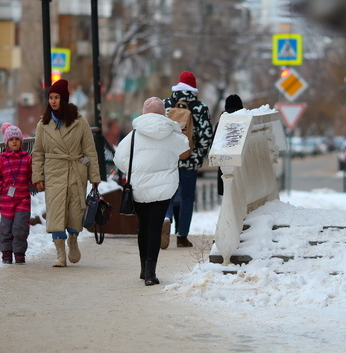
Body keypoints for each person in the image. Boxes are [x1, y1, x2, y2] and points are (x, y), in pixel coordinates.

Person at [114, 97, 189, 285]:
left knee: (144, 227)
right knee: (155, 227)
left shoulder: (133, 135)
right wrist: (174, 127)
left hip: (139, 187)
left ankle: (143, 269)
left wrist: (136, 170)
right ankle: (150, 273)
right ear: (164, 113)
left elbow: (119, 159)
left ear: (143, 113)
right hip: (164, 188)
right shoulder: (170, 134)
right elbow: (185, 145)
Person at [32, 79, 101, 267]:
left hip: (75, 172)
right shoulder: (43, 124)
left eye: (57, 97)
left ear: (64, 99)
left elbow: (90, 150)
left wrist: (94, 176)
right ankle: (60, 253)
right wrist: (38, 176)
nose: (53, 101)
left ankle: (73, 239)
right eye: (51, 98)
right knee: (55, 212)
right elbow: (38, 152)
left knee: (75, 211)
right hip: (53, 172)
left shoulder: (79, 122)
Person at [162, 71, 213, 249]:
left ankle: (166, 218)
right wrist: (198, 155)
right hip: (189, 160)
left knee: (167, 194)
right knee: (187, 197)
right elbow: (206, 136)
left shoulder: (166, 104)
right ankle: (182, 237)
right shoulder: (200, 107)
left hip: (168, 159)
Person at [0, 123, 32, 264]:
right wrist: (0, 187)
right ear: (6, 142)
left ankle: (19, 253)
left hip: (23, 200)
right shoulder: (1, 160)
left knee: (21, 227)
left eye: (17, 139)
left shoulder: (27, 159)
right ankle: (6, 253)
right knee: (6, 227)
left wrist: (38, 181)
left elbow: (33, 176)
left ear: (21, 142)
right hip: (7, 200)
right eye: (11, 139)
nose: (14, 142)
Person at [217, 94, 244, 196]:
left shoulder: (222, 121)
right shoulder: (244, 121)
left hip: (224, 163)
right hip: (241, 164)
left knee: (227, 194)